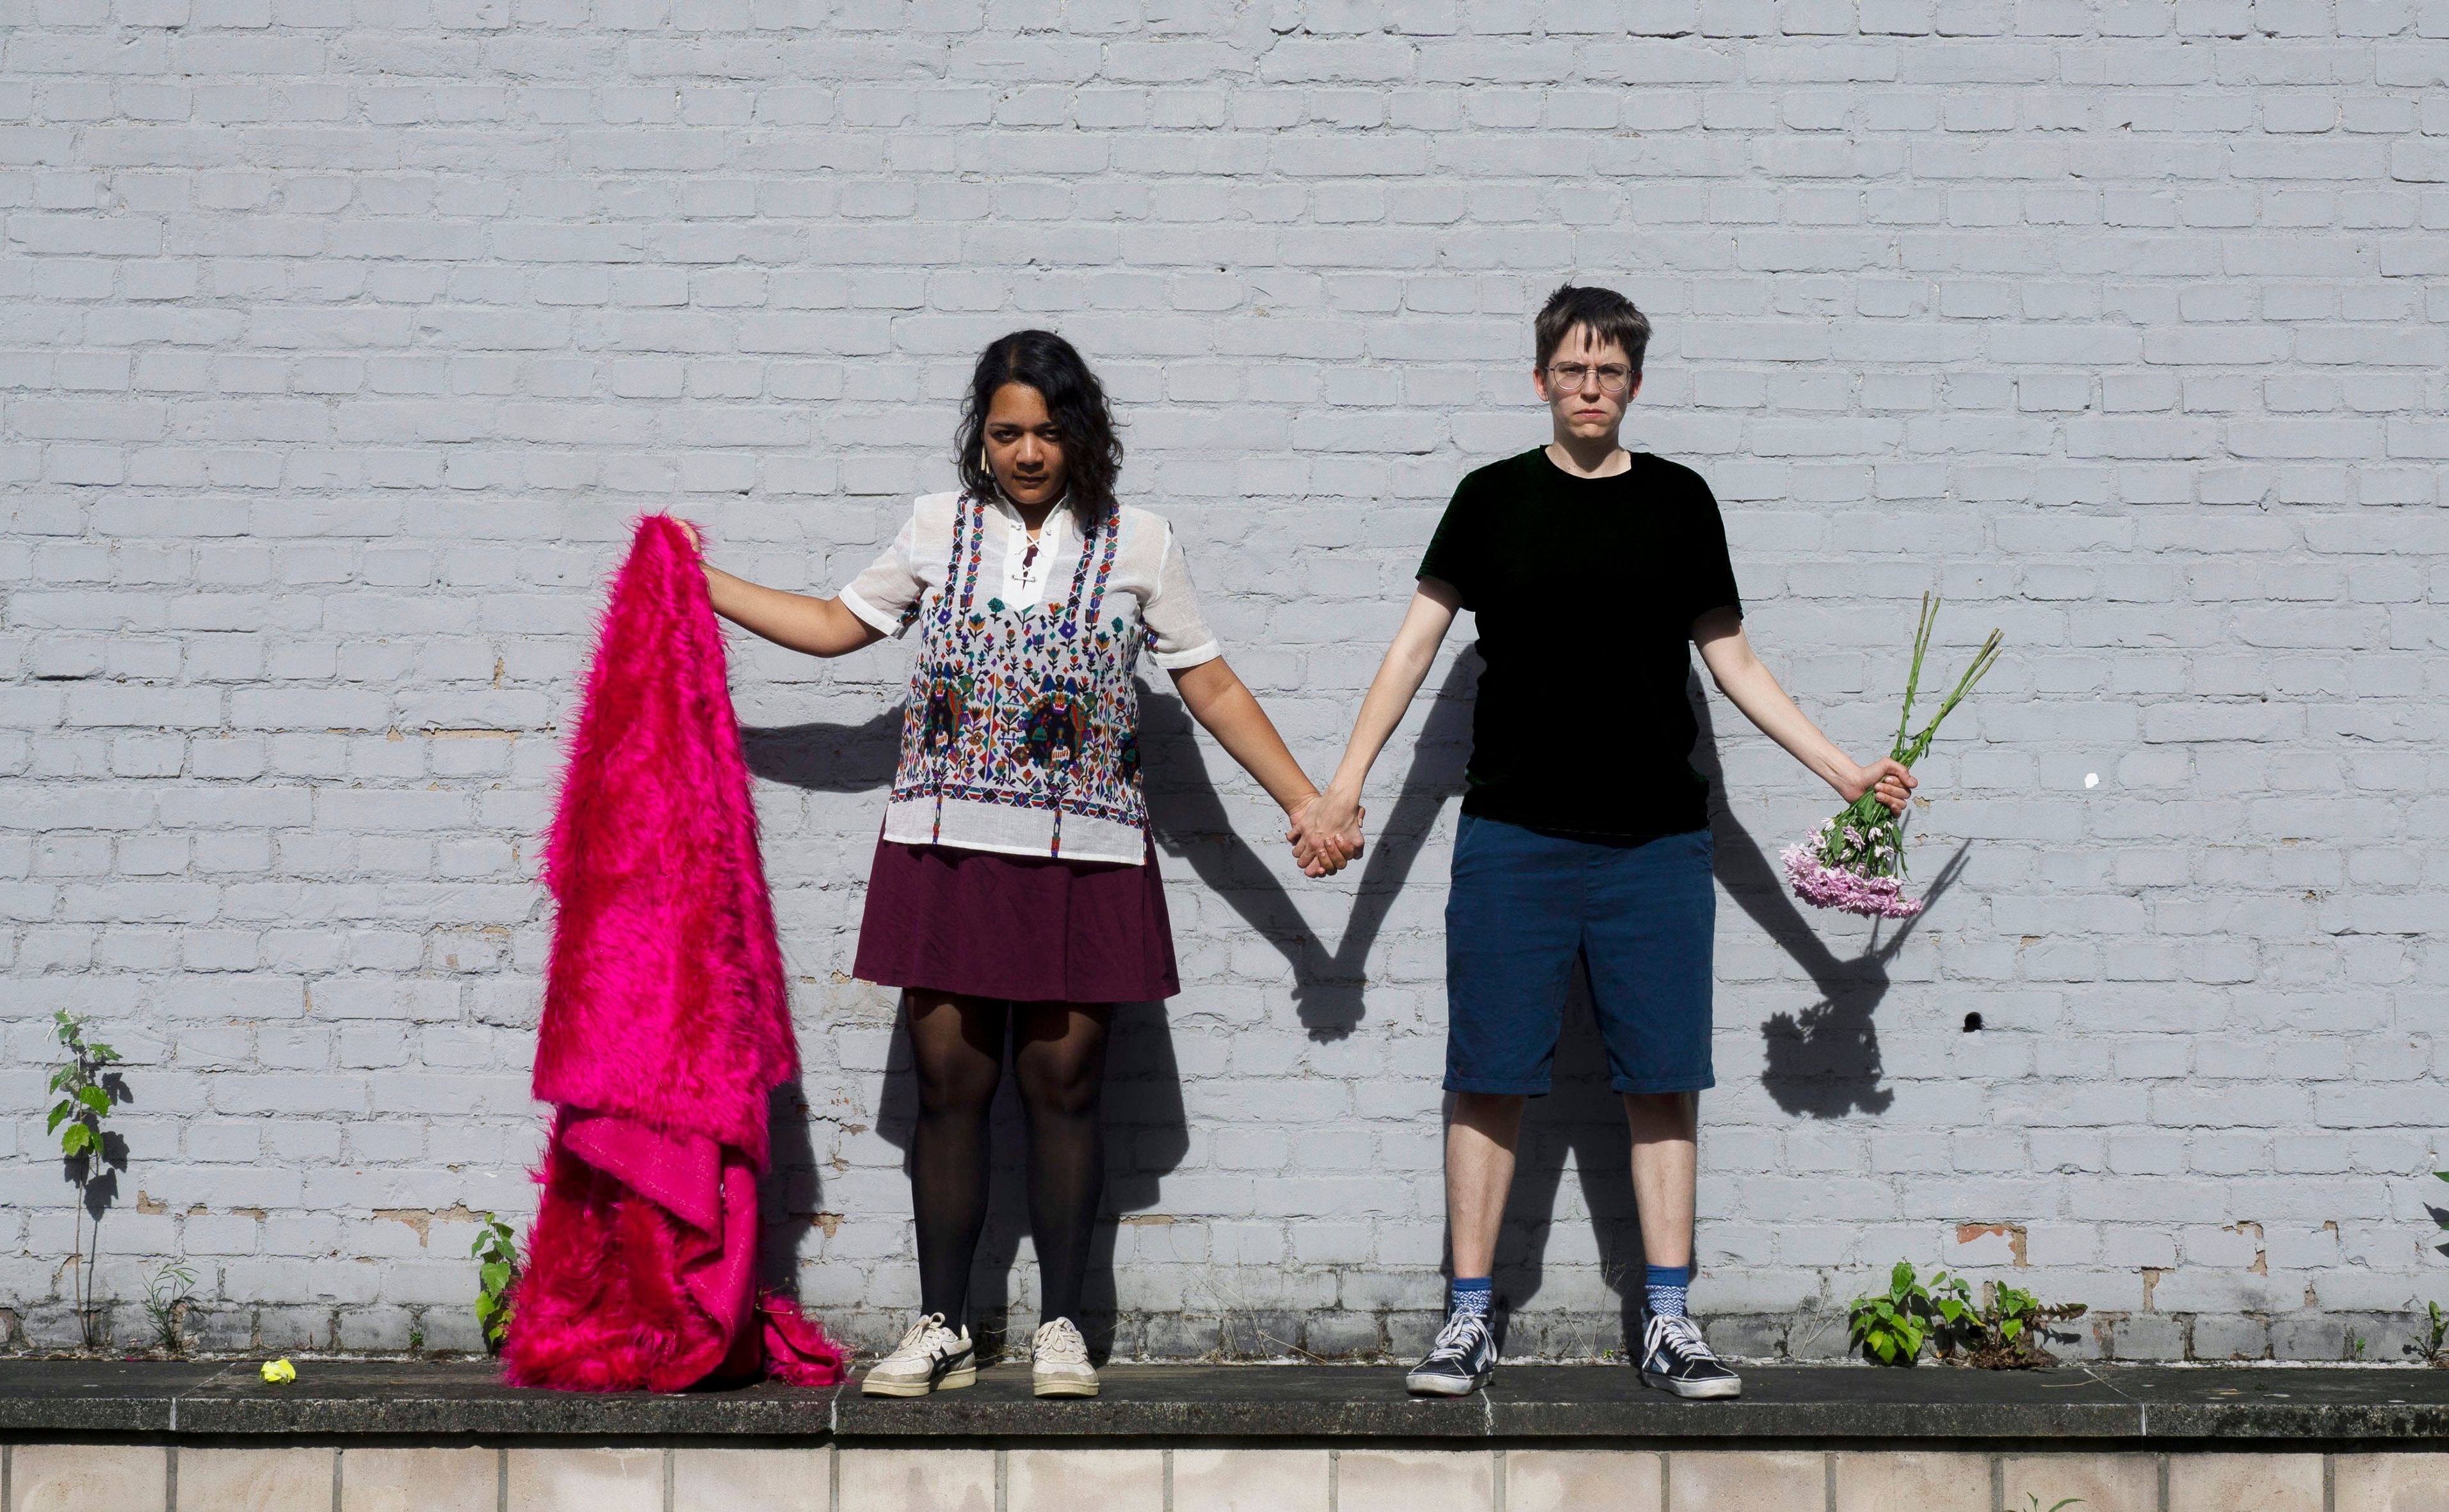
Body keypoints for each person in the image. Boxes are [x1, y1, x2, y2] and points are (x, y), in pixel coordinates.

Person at [695, 330, 1354, 1401]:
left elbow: (1213, 685)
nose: (1028, 452)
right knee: (950, 1085)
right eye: (1006, 433)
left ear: (1081, 433)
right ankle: (944, 1322)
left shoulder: (1140, 542)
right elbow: (828, 626)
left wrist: (1304, 803)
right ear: (980, 436)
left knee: (1063, 1084)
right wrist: (697, 575)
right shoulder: (936, 528)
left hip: (1082, 854)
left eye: (1049, 431)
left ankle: (1060, 1327)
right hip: (945, 849)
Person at [1291, 285, 1915, 1400]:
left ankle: (1668, 1318)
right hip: (1511, 838)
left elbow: (1734, 661)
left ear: (1634, 382)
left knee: (1663, 1080)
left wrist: (1843, 769)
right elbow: (1410, 651)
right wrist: (1342, 789)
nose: (1590, 390)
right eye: (1572, 372)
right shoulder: (1489, 500)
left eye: (1610, 373)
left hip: (1656, 847)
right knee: (1485, 1076)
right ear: (1540, 379)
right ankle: (1468, 1319)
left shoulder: (1680, 502)